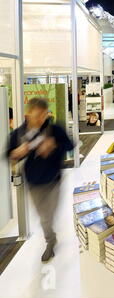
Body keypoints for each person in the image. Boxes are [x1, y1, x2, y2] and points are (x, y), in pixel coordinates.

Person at [7, 97, 74, 262]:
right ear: (28, 114)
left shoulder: (54, 129)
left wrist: (54, 146)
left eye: (44, 115)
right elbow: (7, 154)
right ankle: (51, 237)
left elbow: (70, 145)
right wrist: (17, 153)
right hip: (33, 183)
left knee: (47, 216)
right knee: (42, 216)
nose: (41, 119)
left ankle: (50, 242)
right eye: (37, 115)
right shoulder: (19, 134)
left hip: (53, 181)